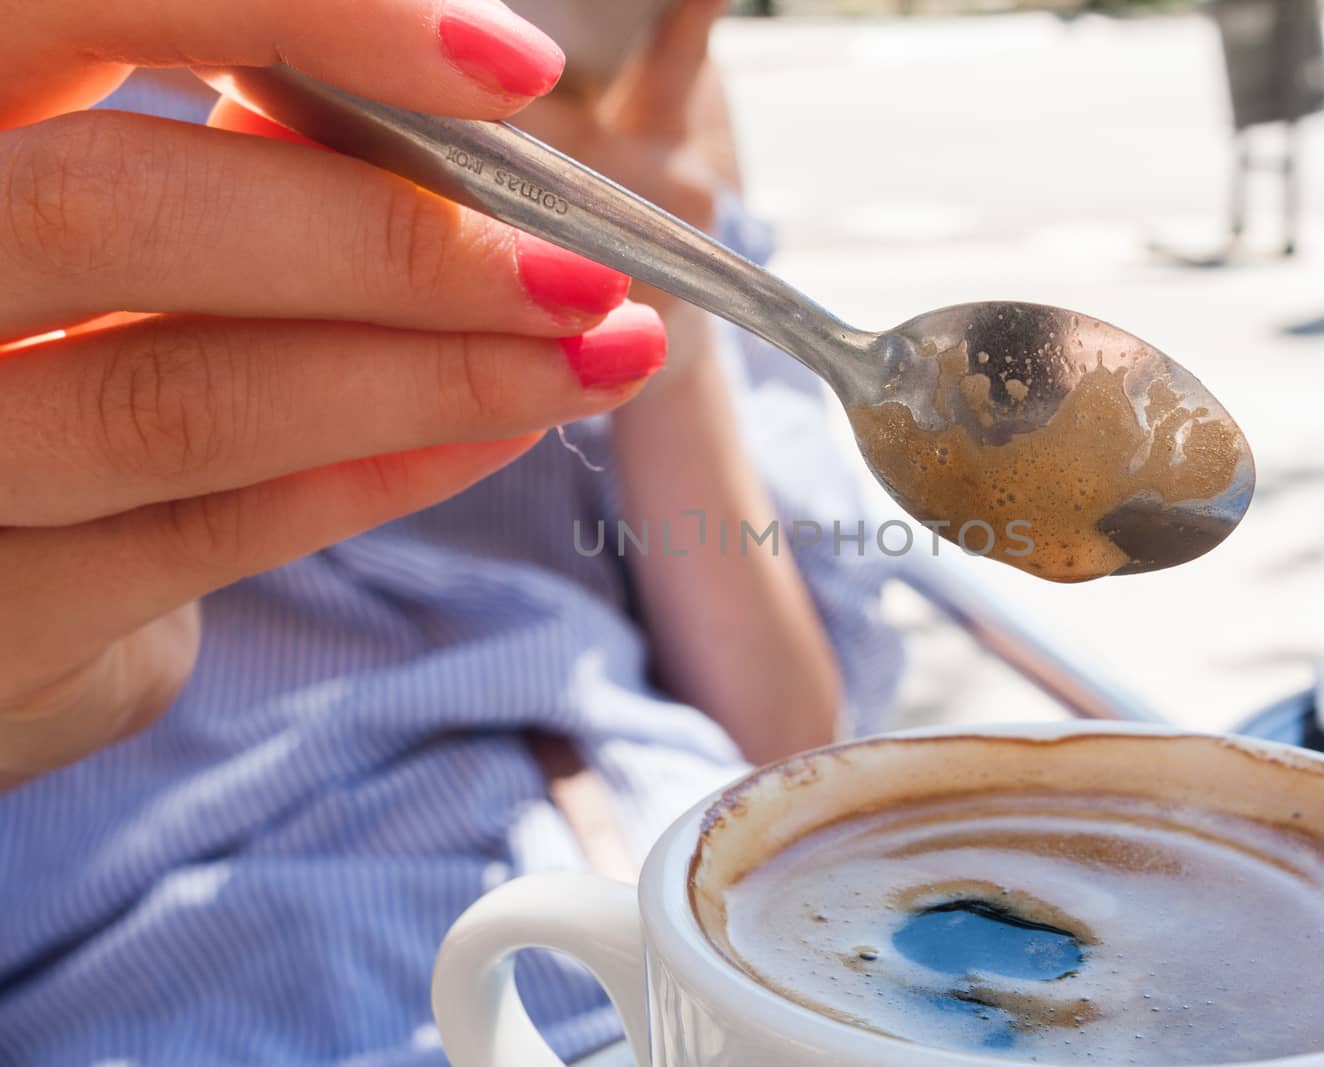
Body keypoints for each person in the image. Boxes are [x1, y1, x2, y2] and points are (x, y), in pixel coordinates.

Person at [0, 2, 902, 1063]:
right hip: (194, 974)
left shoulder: (656, 116)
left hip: (667, 925)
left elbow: (793, 752)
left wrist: (677, 327)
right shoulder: (61, 94)